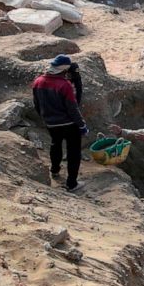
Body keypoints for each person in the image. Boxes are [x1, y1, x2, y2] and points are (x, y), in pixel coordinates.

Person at [32, 54, 88, 191]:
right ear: (64, 70)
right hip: (68, 124)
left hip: (51, 123)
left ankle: (55, 170)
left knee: (55, 144)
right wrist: (82, 126)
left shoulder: (38, 81)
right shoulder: (64, 85)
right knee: (73, 152)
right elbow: (72, 108)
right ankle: (72, 183)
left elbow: (37, 104)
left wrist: (45, 118)